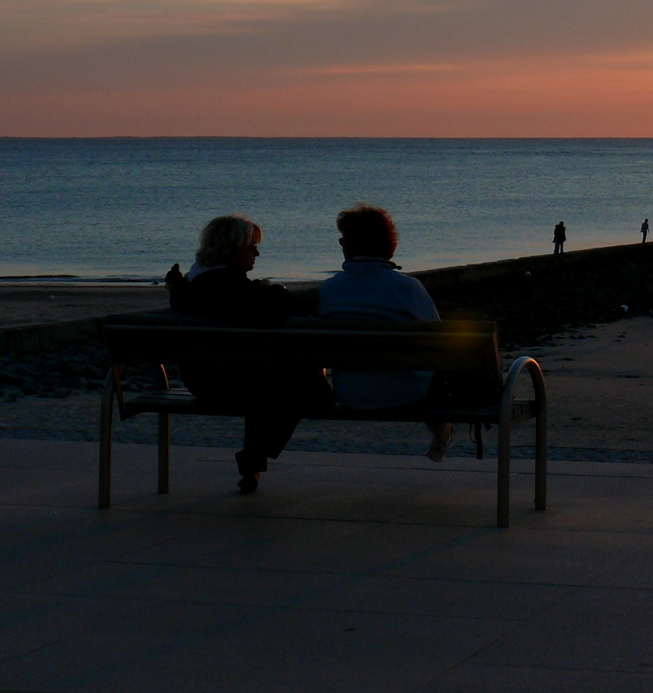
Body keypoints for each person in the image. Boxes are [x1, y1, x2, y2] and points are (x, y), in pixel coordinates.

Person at [166, 214, 330, 494]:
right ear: (231, 249)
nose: (257, 253)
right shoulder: (230, 288)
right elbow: (274, 308)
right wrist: (276, 291)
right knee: (314, 392)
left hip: (202, 379)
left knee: (277, 385)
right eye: (251, 247)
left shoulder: (192, 286)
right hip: (233, 381)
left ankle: (253, 462)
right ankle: (253, 460)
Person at [319, 204, 455, 463]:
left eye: (342, 240)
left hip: (351, 393)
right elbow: (440, 342)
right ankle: (442, 433)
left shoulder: (330, 290)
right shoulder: (408, 288)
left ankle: (442, 434)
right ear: (387, 244)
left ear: (350, 246)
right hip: (408, 394)